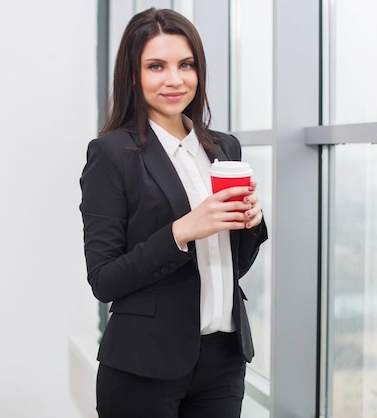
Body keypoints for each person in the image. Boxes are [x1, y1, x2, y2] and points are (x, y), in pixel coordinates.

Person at [79, 7, 268, 418]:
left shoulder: (225, 147)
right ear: (132, 74)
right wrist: (182, 231)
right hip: (143, 364)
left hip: (224, 359)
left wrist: (251, 223)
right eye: (156, 66)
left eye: (186, 65)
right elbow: (104, 279)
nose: (174, 79)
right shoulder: (112, 154)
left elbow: (231, 264)